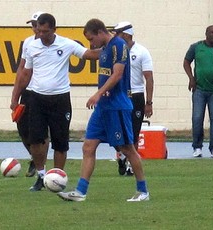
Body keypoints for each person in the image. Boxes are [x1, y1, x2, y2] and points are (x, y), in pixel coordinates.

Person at [57, 18, 149, 202]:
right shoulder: (105, 49)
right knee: (88, 146)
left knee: (127, 149)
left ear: (100, 32)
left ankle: (143, 191)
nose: (91, 44)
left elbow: (118, 74)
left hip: (117, 106)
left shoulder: (119, 45)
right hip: (103, 108)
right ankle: (80, 192)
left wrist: (98, 93)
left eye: (92, 39)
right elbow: (91, 56)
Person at [10, 13, 100, 191]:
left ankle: (57, 177)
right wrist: (15, 98)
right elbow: (25, 73)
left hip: (60, 98)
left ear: (54, 29)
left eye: (45, 31)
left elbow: (88, 54)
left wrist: (112, 49)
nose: (41, 34)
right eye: (39, 31)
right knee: (36, 140)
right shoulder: (32, 46)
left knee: (60, 142)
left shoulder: (66, 44)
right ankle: (41, 175)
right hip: (37, 98)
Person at [112, 22, 154, 176]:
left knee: (134, 132)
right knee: (116, 129)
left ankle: (129, 165)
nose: (115, 36)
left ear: (127, 35)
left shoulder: (142, 52)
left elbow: (149, 78)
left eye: (118, 33)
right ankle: (122, 155)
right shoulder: (114, 51)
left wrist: (149, 102)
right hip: (119, 93)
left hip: (136, 95)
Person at [12, 11, 49, 178]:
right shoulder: (28, 43)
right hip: (28, 90)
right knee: (22, 125)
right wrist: (16, 92)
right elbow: (22, 68)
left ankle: (41, 165)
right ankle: (35, 157)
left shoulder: (51, 43)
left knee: (41, 131)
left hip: (42, 91)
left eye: (37, 25)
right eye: (33, 26)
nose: (35, 29)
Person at [183, 25, 213, 158]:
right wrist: (191, 78)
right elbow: (186, 62)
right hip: (199, 89)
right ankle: (197, 147)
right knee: (197, 118)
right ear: (206, 34)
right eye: (212, 32)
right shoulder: (196, 47)